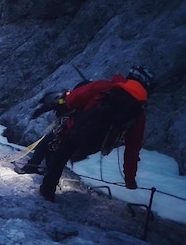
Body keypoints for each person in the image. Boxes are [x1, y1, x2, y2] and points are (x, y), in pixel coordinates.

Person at [39, 66, 153, 202]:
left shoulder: (102, 87)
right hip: (97, 145)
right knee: (70, 151)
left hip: (75, 133)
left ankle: (47, 191)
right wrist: (130, 179)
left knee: (59, 155)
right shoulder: (138, 114)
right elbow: (132, 149)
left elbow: (71, 100)